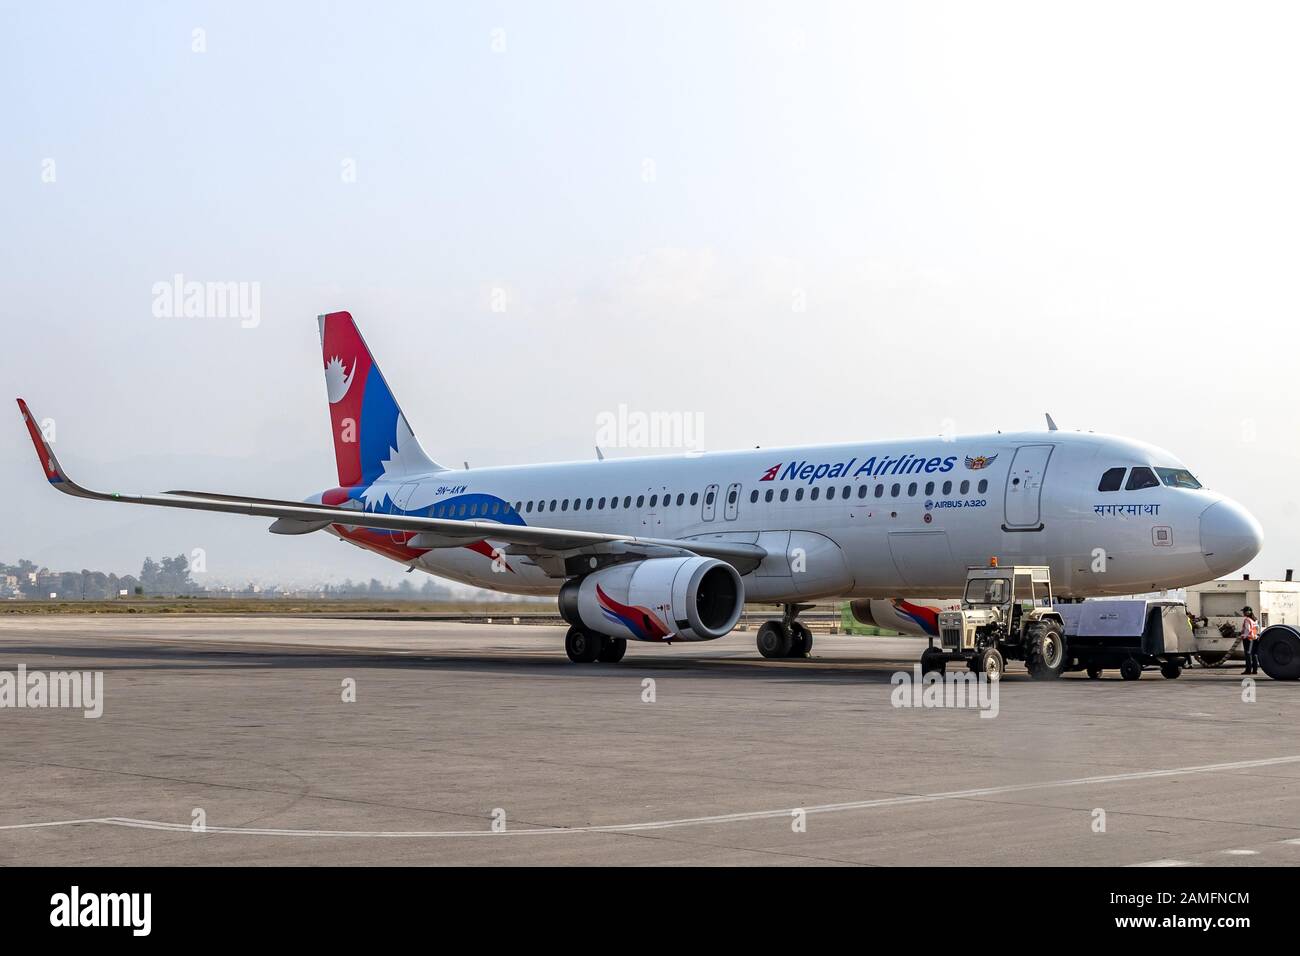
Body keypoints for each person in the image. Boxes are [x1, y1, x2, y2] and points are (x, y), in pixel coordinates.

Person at [1240, 606, 1260, 675]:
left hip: (1248, 638)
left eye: (1244, 611)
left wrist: (1243, 636)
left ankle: (1248, 670)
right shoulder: (1255, 619)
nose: (1243, 613)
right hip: (1255, 638)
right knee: (1254, 654)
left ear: (1247, 612)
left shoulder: (1247, 620)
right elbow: (1257, 628)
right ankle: (1255, 670)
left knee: (1248, 654)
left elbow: (1248, 630)